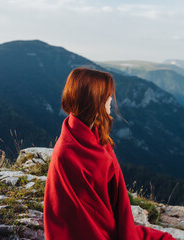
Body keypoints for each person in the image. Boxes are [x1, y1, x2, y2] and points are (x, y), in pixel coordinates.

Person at [43, 68, 176, 240]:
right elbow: (78, 219)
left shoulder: (95, 135)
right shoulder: (68, 153)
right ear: (94, 99)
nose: (111, 100)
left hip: (110, 222)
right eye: (107, 96)